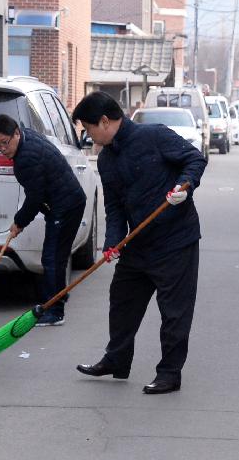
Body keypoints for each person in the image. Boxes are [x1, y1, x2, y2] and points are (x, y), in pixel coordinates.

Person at [71, 92, 207, 395]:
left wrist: (183, 186)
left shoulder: (154, 136)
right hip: (138, 245)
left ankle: (169, 373)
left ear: (104, 122)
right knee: (122, 300)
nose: (87, 134)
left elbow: (194, 159)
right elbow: (115, 208)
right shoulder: (106, 160)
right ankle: (117, 359)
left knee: (174, 311)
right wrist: (112, 242)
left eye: (88, 128)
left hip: (176, 240)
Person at [0, 114, 87, 326]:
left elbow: (35, 198)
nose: (3, 149)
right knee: (54, 257)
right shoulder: (26, 137)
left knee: (52, 259)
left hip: (65, 207)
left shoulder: (26, 159)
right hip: (64, 203)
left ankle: (55, 311)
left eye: (5, 143)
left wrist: (19, 222)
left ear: (16, 133)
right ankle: (57, 296)